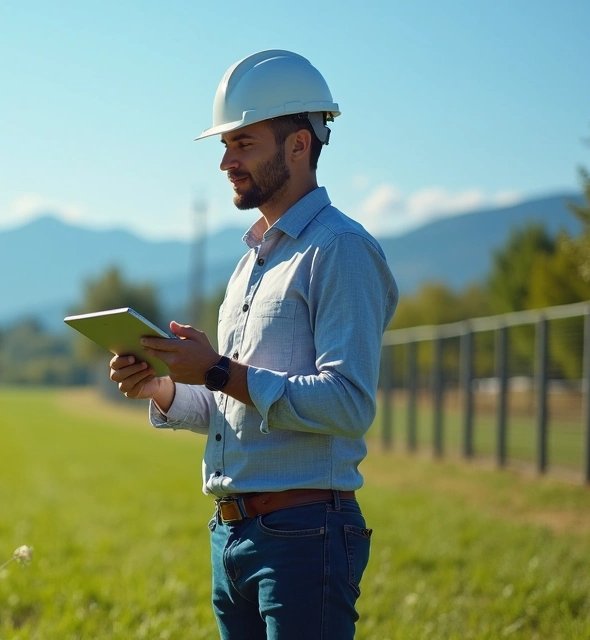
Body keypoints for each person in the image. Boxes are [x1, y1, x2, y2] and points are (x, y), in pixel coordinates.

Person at [108, 50, 399, 639]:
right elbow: (235, 408)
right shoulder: (249, 265)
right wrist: (163, 386)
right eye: (225, 145)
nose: (226, 162)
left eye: (243, 143)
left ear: (299, 145)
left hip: (304, 535)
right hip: (230, 535)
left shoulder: (340, 249)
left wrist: (217, 369)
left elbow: (348, 403)